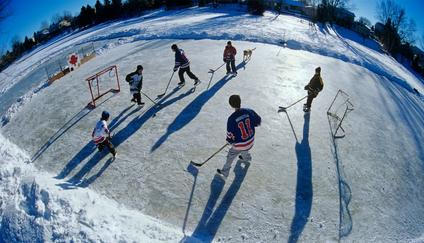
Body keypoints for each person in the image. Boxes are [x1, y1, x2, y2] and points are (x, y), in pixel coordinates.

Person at [217, 95, 261, 178]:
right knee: (245, 147)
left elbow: (230, 135)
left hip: (241, 144)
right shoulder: (249, 111)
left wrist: (229, 140)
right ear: (240, 102)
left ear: (231, 105)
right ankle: (247, 158)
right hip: (251, 141)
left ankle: (225, 172)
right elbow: (258, 121)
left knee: (231, 155)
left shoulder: (231, 119)